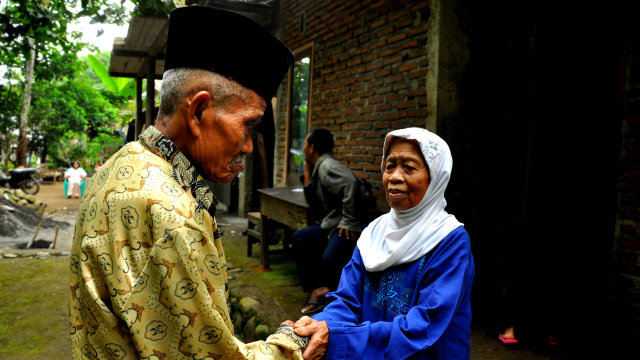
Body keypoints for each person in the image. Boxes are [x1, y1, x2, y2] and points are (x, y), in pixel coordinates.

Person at [67, 6, 308, 360]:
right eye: (248, 126)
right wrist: (294, 342)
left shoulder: (120, 165)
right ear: (197, 113)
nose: (249, 147)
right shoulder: (174, 218)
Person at [293, 127, 476, 360]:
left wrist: (337, 337)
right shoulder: (373, 234)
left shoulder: (450, 240)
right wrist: (315, 327)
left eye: (409, 167)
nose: (394, 176)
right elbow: (347, 300)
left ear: (435, 178)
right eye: (390, 166)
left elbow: (423, 326)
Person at [292, 128, 364, 315]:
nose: (304, 148)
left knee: (329, 258)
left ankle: (333, 297)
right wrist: (307, 170)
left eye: (306, 144)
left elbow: (351, 183)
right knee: (301, 238)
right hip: (331, 224)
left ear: (312, 148)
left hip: (346, 225)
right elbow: (313, 202)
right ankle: (318, 288)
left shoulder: (327, 166)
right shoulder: (319, 167)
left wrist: (349, 221)